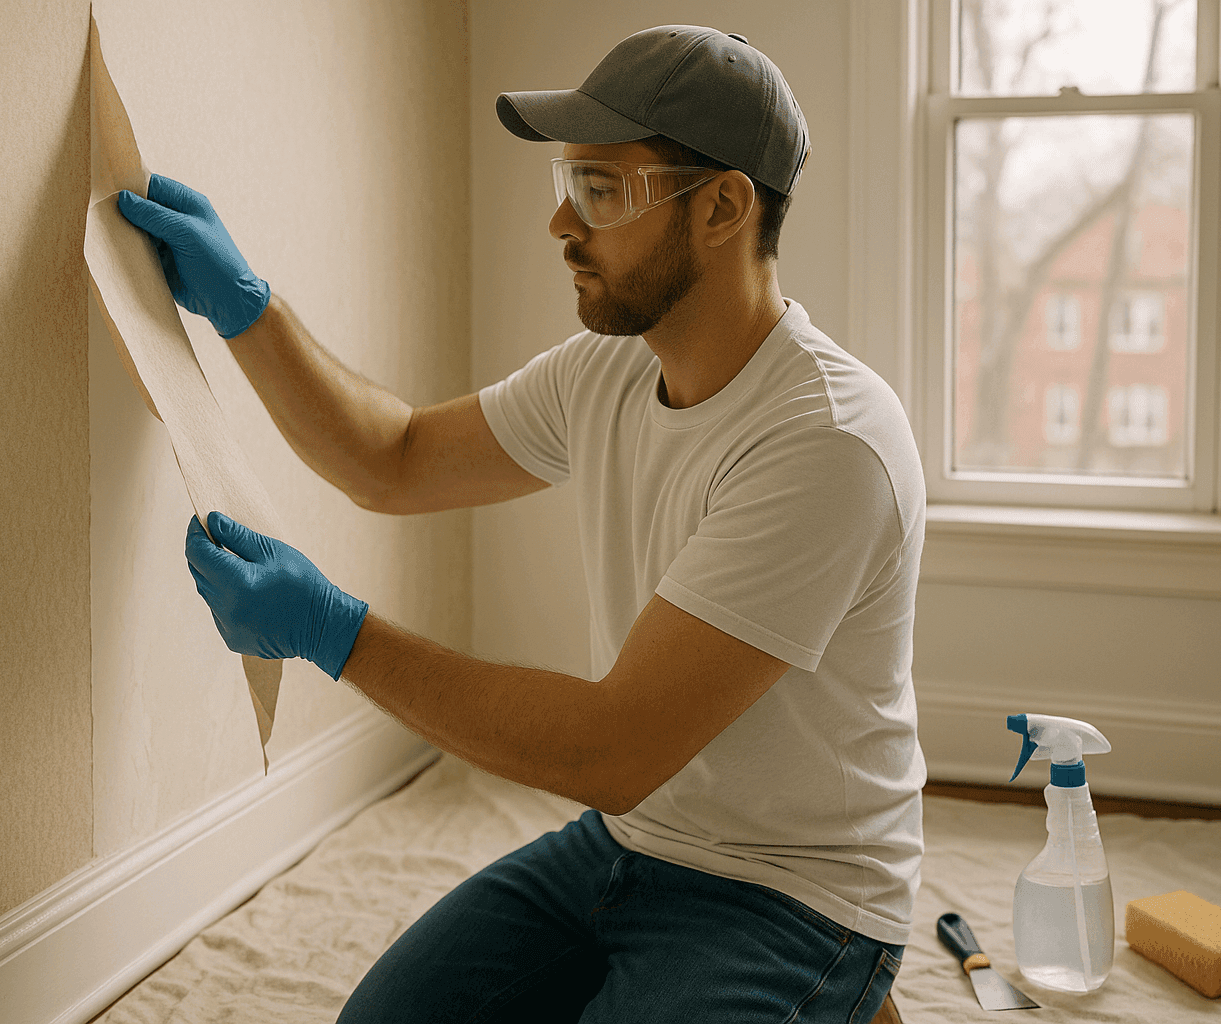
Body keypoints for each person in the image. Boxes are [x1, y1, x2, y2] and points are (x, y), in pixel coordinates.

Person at [116, 24, 925, 1024]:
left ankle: (844, 993)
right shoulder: (614, 369)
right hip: (632, 841)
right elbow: (397, 456)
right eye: (565, 178)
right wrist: (247, 307)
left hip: (798, 893)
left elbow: (611, 749)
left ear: (722, 207)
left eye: (601, 187)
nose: (559, 222)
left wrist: (337, 631)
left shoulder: (829, 442)